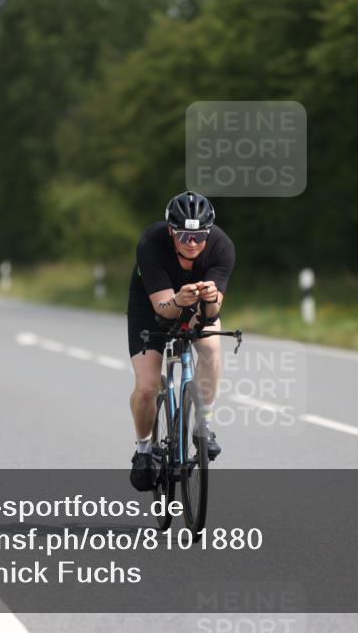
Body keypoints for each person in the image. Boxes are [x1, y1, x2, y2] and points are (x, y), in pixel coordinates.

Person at [126, 191, 235, 491]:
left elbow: (212, 313)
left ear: (208, 233)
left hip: (195, 303)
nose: (192, 243)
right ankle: (144, 450)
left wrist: (210, 299)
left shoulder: (222, 247)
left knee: (211, 349)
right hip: (152, 304)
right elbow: (163, 309)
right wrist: (177, 299)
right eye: (184, 235)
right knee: (147, 387)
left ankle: (203, 426)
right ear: (171, 231)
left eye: (199, 236)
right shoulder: (151, 243)